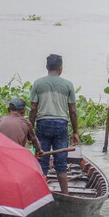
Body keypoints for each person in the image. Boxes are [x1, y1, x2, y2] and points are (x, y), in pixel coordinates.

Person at [29, 54, 79, 195]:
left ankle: (39, 194)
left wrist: (30, 130)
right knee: (61, 164)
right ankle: (66, 195)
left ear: (47, 67)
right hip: (61, 125)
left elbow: (33, 109)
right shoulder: (68, 85)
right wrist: (75, 132)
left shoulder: (38, 83)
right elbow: (73, 111)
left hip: (42, 124)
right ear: (60, 68)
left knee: (42, 160)